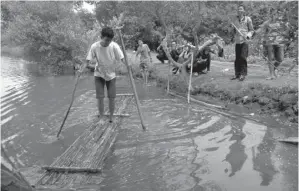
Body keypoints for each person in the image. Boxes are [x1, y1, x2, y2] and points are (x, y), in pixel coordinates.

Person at [79, 27, 128, 123]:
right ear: (101, 37)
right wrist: (81, 70)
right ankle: (101, 117)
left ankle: (111, 117)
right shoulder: (95, 46)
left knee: (111, 97)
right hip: (99, 75)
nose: (107, 43)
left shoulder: (114, 46)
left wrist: (127, 65)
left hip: (111, 75)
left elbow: (122, 59)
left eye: (109, 41)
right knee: (100, 97)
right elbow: (87, 61)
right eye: (106, 40)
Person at [231, 5, 254, 81]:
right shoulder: (235, 20)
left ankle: (243, 74)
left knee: (243, 57)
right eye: (238, 9)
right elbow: (233, 31)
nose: (239, 11)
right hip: (238, 41)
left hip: (244, 41)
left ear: (244, 11)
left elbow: (252, 30)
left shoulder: (248, 19)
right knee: (237, 58)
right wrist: (232, 29)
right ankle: (237, 74)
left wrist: (247, 36)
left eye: (241, 9)